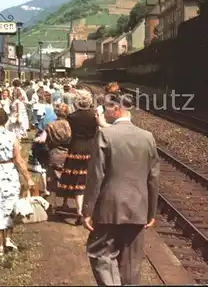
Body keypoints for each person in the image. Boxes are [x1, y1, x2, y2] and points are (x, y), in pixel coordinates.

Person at [82, 94, 160, 286]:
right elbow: (153, 178)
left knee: (101, 252)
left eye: (105, 108)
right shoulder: (147, 137)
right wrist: (151, 212)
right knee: (132, 261)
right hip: (139, 208)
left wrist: (87, 211)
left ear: (117, 109)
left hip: (109, 207)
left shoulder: (106, 135)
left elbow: (96, 176)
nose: (101, 112)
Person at [0, 108, 34, 256]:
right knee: (10, 205)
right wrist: (28, 178)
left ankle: (0, 244)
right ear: (6, 120)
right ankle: (8, 238)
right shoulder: (12, 137)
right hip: (9, 171)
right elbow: (18, 159)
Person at [57, 90, 97, 224]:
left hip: (75, 148)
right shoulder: (94, 116)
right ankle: (86, 209)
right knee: (87, 178)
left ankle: (79, 209)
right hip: (91, 149)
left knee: (75, 179)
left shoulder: (71, 117)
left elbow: (67, 135)